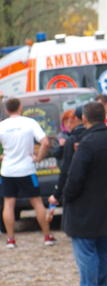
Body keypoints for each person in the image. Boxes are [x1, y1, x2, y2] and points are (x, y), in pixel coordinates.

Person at [63, 101, 107, 286]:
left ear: (84, 118)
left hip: (84, 206)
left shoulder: (87, 143)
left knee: (86, 251)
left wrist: (67, 196)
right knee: (104, 250)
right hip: (106, 203)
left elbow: (75, 176)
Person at [0, 97, 54, 248]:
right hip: (27, 169)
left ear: (6, 110)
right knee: (37, 202)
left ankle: (11, 239)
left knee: (8, 204)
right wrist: (39, 158)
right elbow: (45, 142)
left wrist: (2, 157)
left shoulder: (2, 126)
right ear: (20, 107)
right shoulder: (29, 122)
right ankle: (47, 236)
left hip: (8, 170)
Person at [49, 106, 86, 210]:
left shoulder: (77, 136)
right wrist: (62, 146)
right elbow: (56, 153)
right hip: (65, 173)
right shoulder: (62, 136)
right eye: (66, 122)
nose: (68, 125)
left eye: (71, 121)